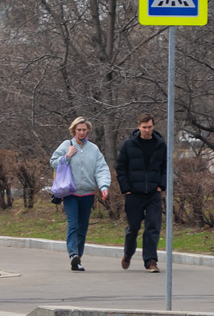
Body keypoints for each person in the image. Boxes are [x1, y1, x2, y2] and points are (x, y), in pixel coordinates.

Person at [50, 117, 111, 271]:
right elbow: (53, 162)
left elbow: (101, 168)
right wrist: (67, 156)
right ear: (74, 131)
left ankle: (77, 260)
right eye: (79, 130)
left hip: (88, 193)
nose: (82, 132)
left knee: (83, 227)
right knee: (73, 224)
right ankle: (72, 254)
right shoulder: (66, 145)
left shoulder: (94, 149)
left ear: (87, 130)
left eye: (84, 130)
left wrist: (104, 186)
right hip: (71, 192)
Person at [115, 112, 166, 273]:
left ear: (153, 126)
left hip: (153, 193)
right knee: (133, 228)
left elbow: (165, 168)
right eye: (144, 127)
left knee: (153, 227)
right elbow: (121, 168)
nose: (147, 130)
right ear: (138, 127)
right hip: (134, 194)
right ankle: (128, 253)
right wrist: (127, 189)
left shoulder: (160, 144)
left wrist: (161, 186)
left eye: (150, 127)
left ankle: (150, 261)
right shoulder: (129, 144)